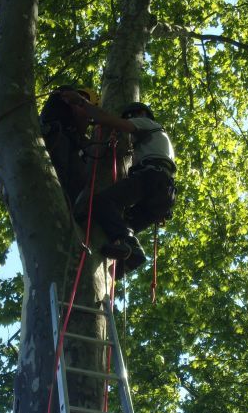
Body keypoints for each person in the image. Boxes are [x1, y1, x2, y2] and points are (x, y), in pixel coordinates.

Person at [61, 91, 176, 278]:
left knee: (101, 203)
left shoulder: (146, 123)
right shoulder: (158, 142)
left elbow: (110, 121)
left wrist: (82, 104)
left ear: (138, 115)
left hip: (151, 178)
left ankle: (127, 244)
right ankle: (129, 256)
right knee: (121, 223)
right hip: (163, 193)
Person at [39, 86, 100, 206]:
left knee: (77, 182)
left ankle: (70, 209)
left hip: (67, 144)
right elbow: (80, 113)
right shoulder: (65, 96)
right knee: (58, 176)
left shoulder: (77, 136)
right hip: (56, 136)